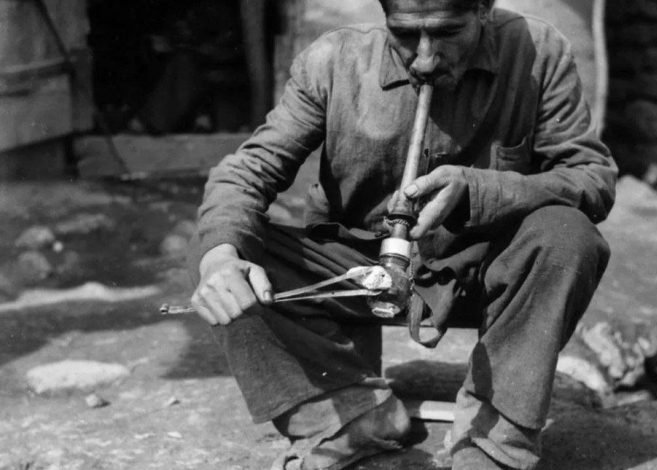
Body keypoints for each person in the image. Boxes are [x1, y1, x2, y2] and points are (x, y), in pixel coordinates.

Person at [189, 0, 617, 468]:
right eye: (406, 34)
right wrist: (220, 258)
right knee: (228, 247)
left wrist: (484, 189)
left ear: (484, 9)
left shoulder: (538, 52)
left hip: (484, 274)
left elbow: (591, 178)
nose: (426, 58)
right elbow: (245, 174)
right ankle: (351, 417)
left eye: (449, 32)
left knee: (568, 235)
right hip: (358, 272)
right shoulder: (333, 62)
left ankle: (494, 442)